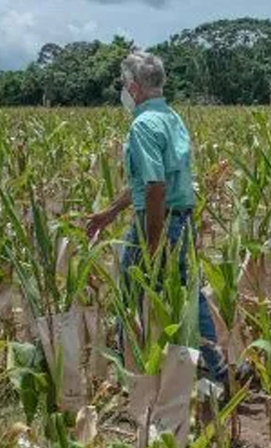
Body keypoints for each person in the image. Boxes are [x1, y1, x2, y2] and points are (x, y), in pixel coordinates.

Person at [86, 51, 227, 386]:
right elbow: (147, 183)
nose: (122, 90)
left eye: (123, 84)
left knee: (130, 291)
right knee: (187, 293)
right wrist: (110, 212)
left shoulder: (143, 125)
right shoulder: (171, 117)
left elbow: (154, 187)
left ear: (133, 87)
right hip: (182, 219)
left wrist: (152, 243)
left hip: (160, 221)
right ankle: (215, 367)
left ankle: (129, 370)